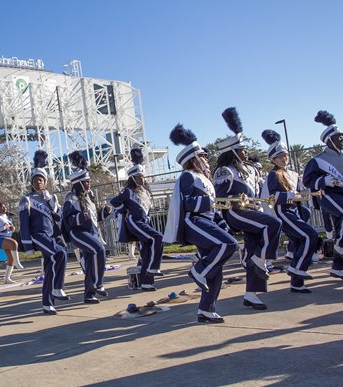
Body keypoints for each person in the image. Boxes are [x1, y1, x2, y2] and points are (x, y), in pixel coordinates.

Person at [165, 124, 238, 323]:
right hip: (192, 222)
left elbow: (211, 210)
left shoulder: (204, 179)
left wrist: (221, 223)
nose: (206, 159)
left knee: (216, 269)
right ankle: (199, 271)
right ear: (194, 160)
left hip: (204, 221)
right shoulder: (188, 176)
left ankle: (206, 309)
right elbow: (187, 202)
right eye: (203, 156)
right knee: (227, 244)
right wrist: (210, 202)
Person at [213, 107, 282, 310]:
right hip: (236, 213)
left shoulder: (249, 170)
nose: (246, 152)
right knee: (273, 224)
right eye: (242, 150)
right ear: (233, 152)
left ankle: (251, 294)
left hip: (252, 212)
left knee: (253, 249)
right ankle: (263, 258)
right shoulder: (224, 170)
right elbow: (219, 197)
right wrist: (236, 198)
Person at [262, 129, 318, 293]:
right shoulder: (273, 174)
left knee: (302, 240)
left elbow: (300, 193)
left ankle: (297, 283)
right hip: (283, 212)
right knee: (310, 236)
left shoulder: (293, 174)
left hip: (295, 211)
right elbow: (273, 197)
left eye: (285, 155)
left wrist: (304, 196)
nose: (284, 158)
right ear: (273, 159)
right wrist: (291, 195)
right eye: (280, 156)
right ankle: (297, 268)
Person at [19, 150, 69, 315]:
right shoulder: (26, 199)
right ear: (32, 182)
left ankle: (48, 303)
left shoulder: (51, 198)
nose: (38, 182)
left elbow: (58, 217)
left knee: (49, 269)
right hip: (38, 235)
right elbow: (24, 222)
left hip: (51, 235)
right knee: (60, 254)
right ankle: (57, 287)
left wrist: (50, 201)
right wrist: (27, 245)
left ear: (45, 182)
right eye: (35, 180)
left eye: (41, 179)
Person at [110, 148, 164, 291]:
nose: (142, 179)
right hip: (135, 222)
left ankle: (147, 282)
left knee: (146, 250)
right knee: (157, 238)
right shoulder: (128, 191)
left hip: (144, 222)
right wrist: (125, 210)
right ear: (133, 178)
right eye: (139, 177)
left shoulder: (146, 191)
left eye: (143, 177)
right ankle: (153, 267)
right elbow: (114, 202)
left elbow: (147, 210)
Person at [63, 150, 112, 304]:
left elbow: (94, 218)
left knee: (91, 263)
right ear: (78, 183)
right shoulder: (70, 198)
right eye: (86, 182)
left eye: (89, 181)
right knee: (100, 250)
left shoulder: (88, 197)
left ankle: (89, 295)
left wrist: (104, 212)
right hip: (78, 233)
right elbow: (67, 220)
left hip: (91, 232)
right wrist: (79, 217)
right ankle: (98, 283)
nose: (89, 184)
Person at [303, 110, 343, 279]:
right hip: (328, 195)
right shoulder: (317, 160)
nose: (342, 139)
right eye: (338, 137)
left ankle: (338, 266)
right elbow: (307, 180)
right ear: (329, 140)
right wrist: (325, 181)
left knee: (341, 229)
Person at [0, 202, 24, 284]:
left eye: (5, 206)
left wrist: (12, 228)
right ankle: (17, 262)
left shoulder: (7, 217)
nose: (4, 208)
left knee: (10, 259)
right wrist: (4, 227)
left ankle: (7, 278)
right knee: (14, 243)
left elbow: (11, 228)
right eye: (2, 207)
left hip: (7, 237)